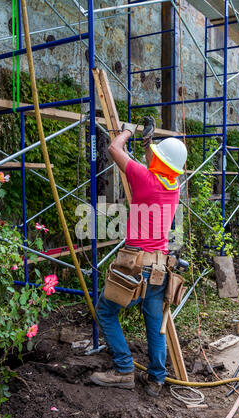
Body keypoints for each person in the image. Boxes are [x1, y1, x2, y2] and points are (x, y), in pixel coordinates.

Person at [90, 118, 187, 397]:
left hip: (136, 265)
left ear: (158, 161)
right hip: (160, 268)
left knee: (106, 312)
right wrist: (148, 143)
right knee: (155, 326)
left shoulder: (144, 179)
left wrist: (127, 132)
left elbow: (114, 149)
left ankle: (123, 370)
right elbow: (155, 164)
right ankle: (157, 379)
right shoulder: (173, 186)